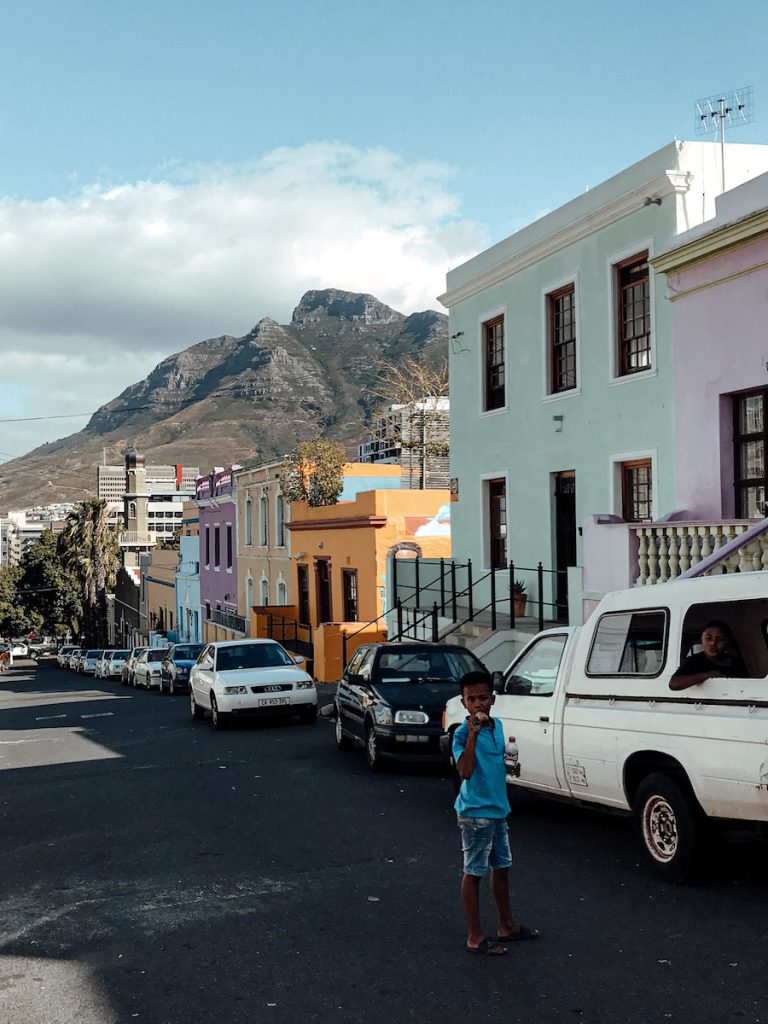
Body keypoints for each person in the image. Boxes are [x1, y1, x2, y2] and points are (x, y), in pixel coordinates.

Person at [452, 671, 538, 957]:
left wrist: (510, 765)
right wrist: (473, 733)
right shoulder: (462, 732)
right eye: (471, 699)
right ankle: (475, 936)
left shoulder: (498, 726)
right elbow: (464, 771)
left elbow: (499, 761)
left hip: (499, 808)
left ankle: (506, 925)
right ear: (464, 703)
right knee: (474, 872)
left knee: (502, 867)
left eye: (483, 698)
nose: (478, 704)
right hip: (475, 813)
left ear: (493, 699)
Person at [669, 620, 748, 691]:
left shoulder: (737, 663)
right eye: (708, 638)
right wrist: (707, 675)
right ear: (701, 639)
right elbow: (674, 684)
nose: (713, 643)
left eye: (720, 639)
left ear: (728, 642)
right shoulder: (694, 661)